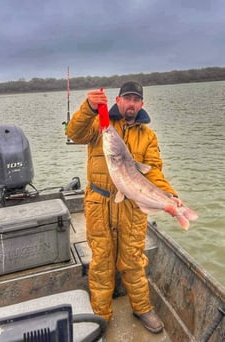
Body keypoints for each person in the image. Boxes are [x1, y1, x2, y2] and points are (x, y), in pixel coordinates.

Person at [66, 81, 183, 334]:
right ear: (118, 101)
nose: (131, 104)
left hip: (132, 207)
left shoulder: (148, 136)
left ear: (141, 104)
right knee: (101, 262)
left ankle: (142, 308)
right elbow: (75, 134)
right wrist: (89, 107)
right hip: (99, 203)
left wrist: (169, 196)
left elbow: (154, 172)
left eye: (135, 99)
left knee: (133, 260)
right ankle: (101, 315)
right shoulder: (102, 124)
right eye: (126, 98)